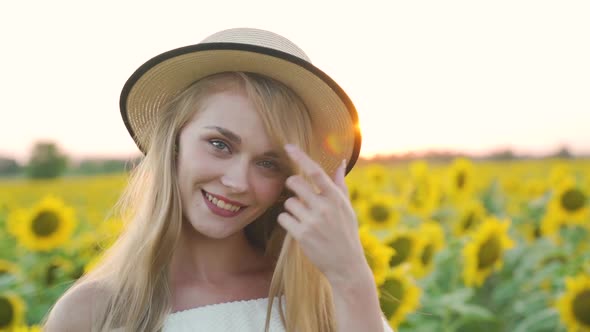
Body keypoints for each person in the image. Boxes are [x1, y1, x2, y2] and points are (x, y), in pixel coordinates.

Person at [43, 28, 394, 332]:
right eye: (219, 145)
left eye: (269, 163)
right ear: (174, 142)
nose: (238, 181)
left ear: (288, 182)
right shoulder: (91, 314)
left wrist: (352, 279)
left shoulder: (321, 299)